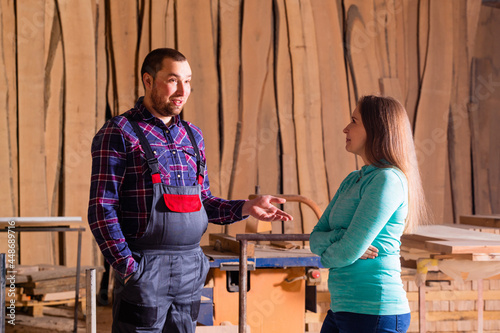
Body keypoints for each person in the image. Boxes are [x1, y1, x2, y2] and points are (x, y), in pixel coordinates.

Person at [88, 48, 292, 332]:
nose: (182, 90)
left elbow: (202, 201)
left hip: (191, 267)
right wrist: (128, 267)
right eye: (173, 80)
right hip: (146, 267)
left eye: (188, 81)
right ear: (148, 81)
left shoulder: (193, 136)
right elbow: (101, 208)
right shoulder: (120, 131)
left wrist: (246, 208)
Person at [309, 95, 428, 333]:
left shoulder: (387, 180)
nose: (346, 128)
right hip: (342, 308)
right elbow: (314, 239)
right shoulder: (353, 179)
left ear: (377, 129)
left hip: (375, 312)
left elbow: (345, 252)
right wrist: (343, 239)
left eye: (354, 121)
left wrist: (331, 255)